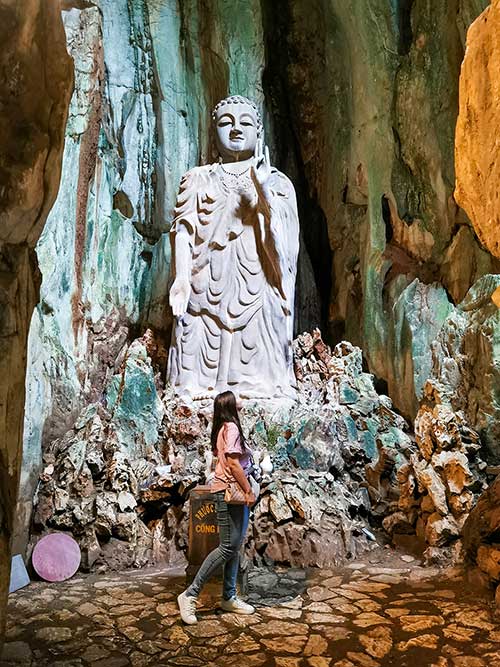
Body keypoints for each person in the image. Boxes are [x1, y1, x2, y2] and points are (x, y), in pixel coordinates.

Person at [167, 95, 300, 400]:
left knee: (260, 327)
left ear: (259, 132)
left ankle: (258, 385)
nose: (236, 129)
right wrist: (182, 279)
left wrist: (263, 193)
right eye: (226, 123)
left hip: (257, 285)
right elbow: (184, 230)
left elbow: (285, 249)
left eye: (245, 123)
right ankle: (196, 386)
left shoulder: (277, 182)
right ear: (214, 132)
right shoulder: (198, 179)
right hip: (204, 284)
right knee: (194, 329)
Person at [177, 390, 256, 624]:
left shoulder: (222, 428)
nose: (241, 399)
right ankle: (190, 594)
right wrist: (248, 490)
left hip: (226, 490)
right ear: (230, 404)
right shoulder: (231, 428)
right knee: (227, 546)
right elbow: (232, 463)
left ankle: (229, 596)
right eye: (237, 397)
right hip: (231, 492)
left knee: (234, 545)